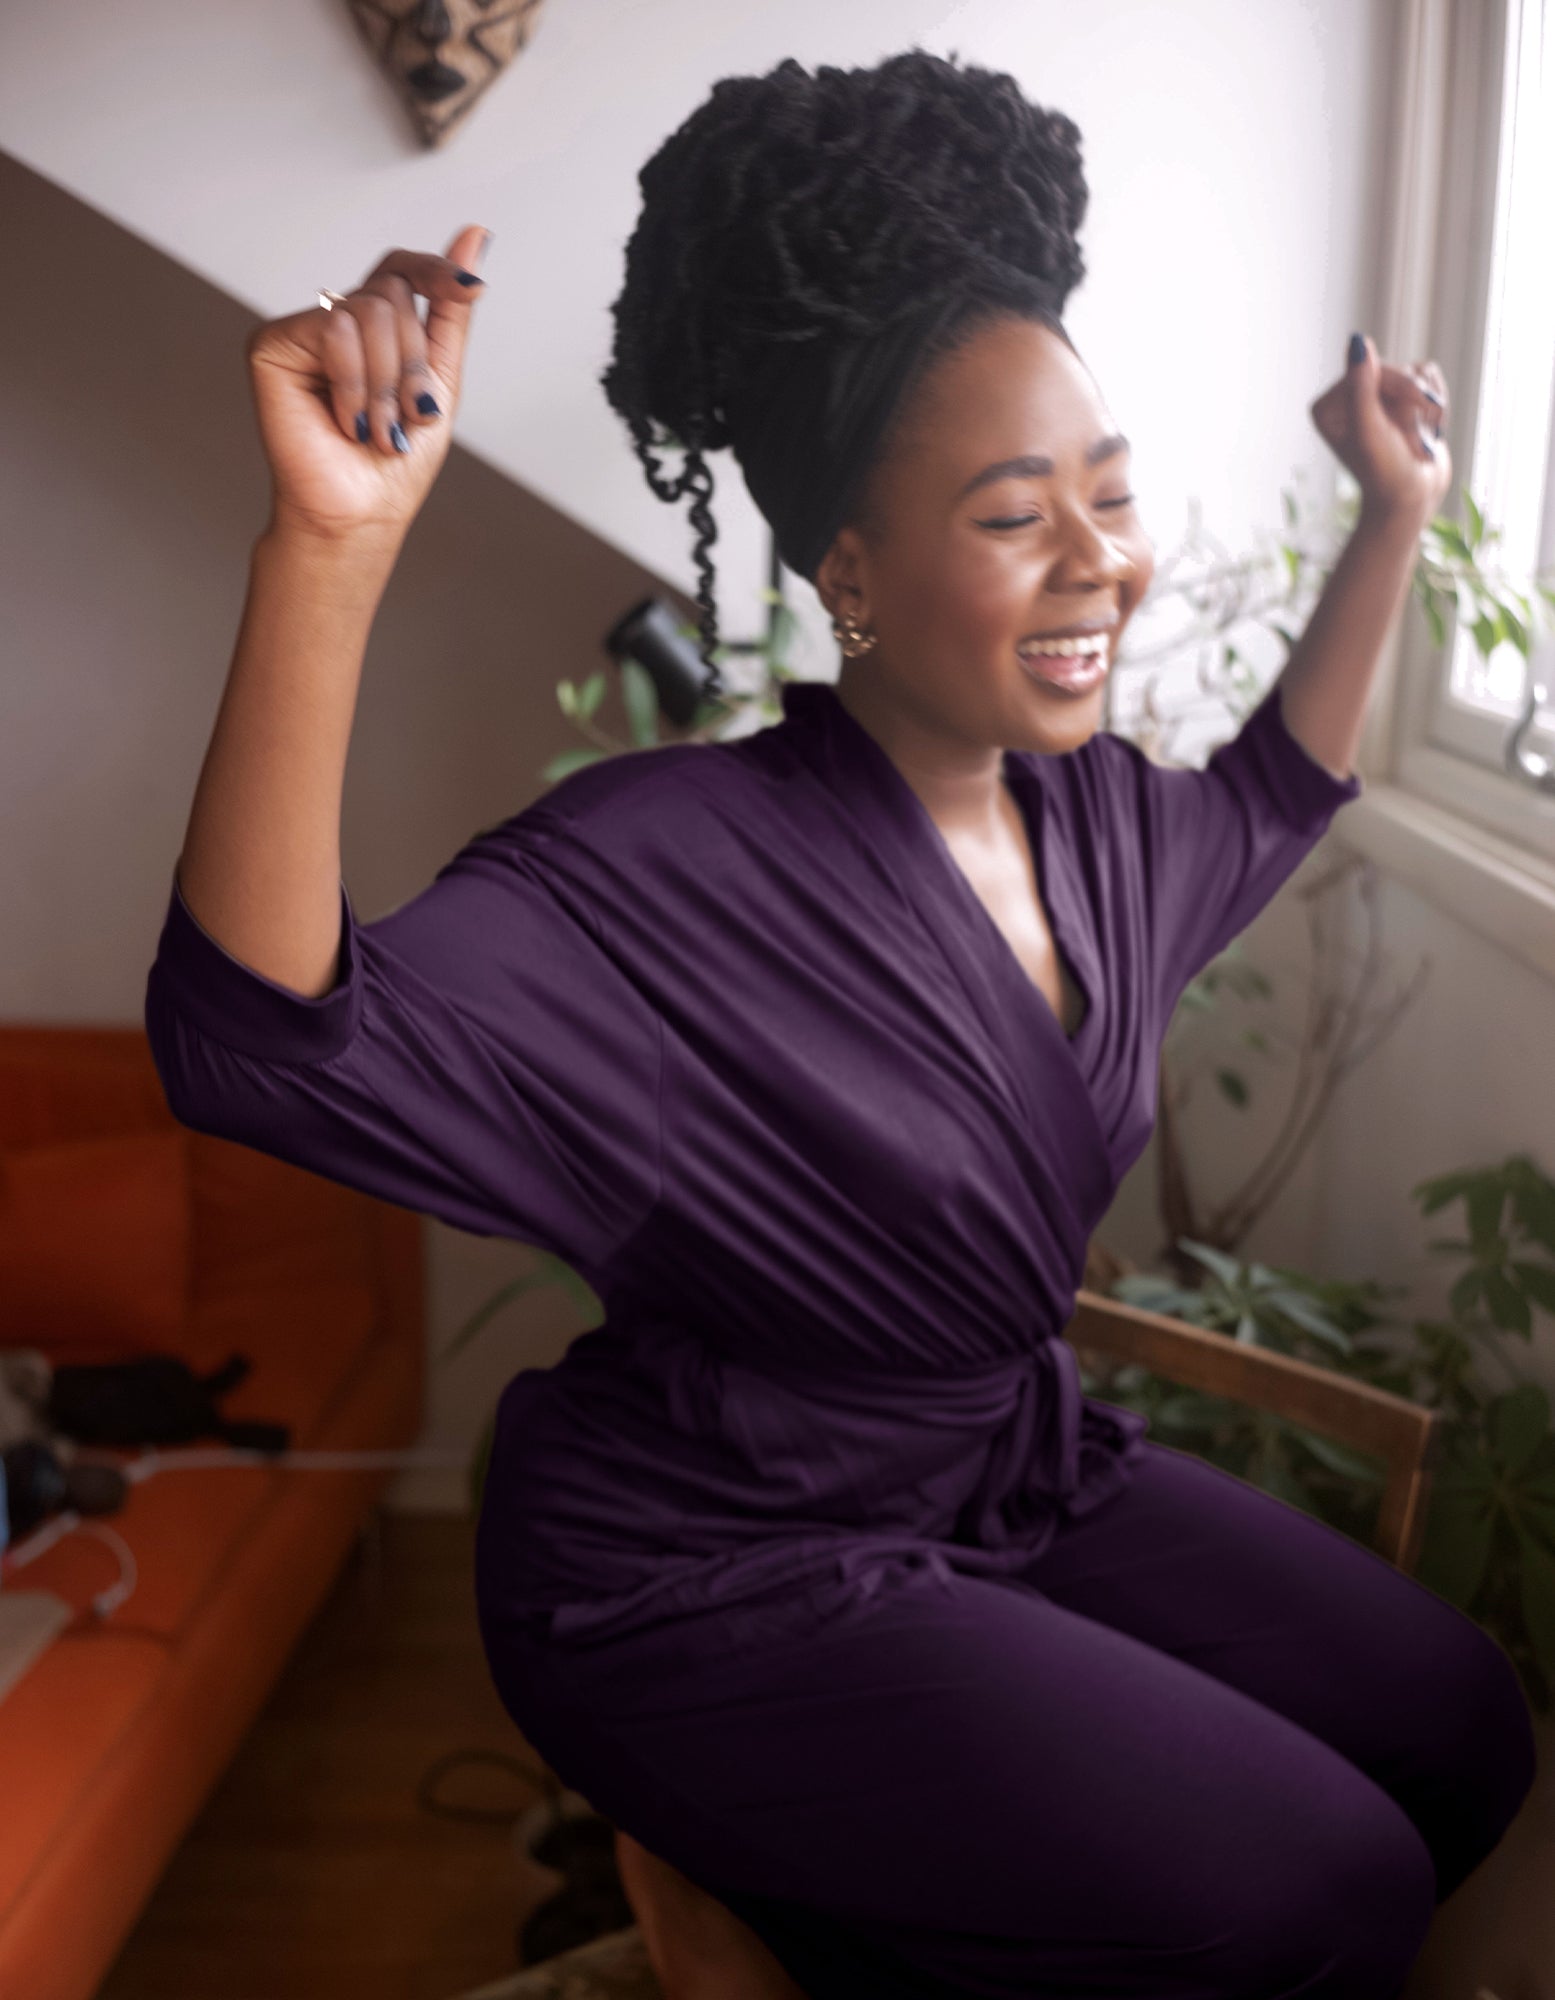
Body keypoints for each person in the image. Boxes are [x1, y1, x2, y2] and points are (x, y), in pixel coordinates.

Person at [144, 48, 1535, 2000]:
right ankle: (752, 1911)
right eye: (1012, 515)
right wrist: (330, 553)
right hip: (702, 1565)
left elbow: (1278, 790)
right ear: (854, 580)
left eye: (1111, 497)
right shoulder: (665, 867)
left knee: (1461, 1733)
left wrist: (1395, 506)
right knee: (1319, 1891)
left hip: (1001, 1471)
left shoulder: (1103, 825)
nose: (1098, 564)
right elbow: (257, 1042)